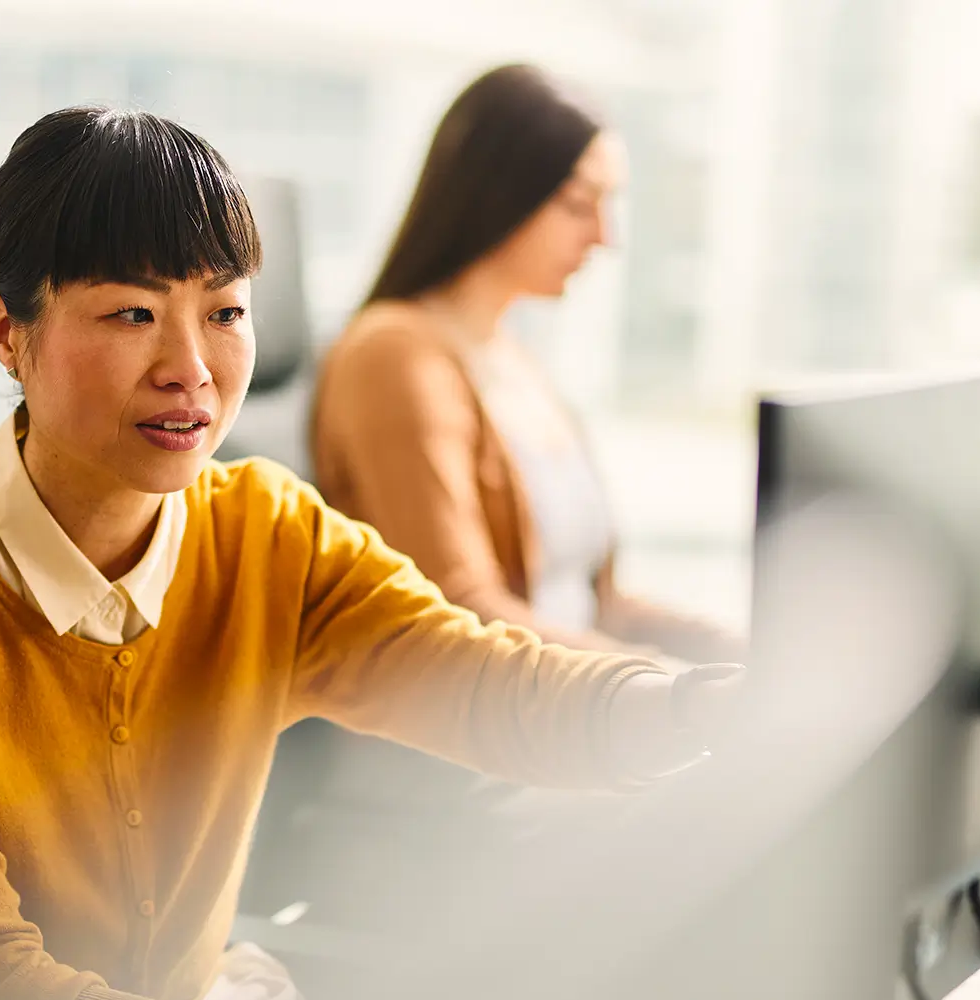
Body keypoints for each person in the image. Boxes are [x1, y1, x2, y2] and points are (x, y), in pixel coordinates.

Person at [0, 106, 739, 1000]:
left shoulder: (267, 532)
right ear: (4, 333)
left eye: (225, 313)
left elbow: (489, 684)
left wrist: (704, 710)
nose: (191, 370)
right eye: (133, 313)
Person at [314, 64, 739, 662]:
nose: (604, 236)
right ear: (498, 196)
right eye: (577, 204)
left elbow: (599, 604)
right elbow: (457, 611)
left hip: (565, 707)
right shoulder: (394, 355)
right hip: (485, 732)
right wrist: (661, 689)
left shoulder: (512, 357)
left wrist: (738, 653)